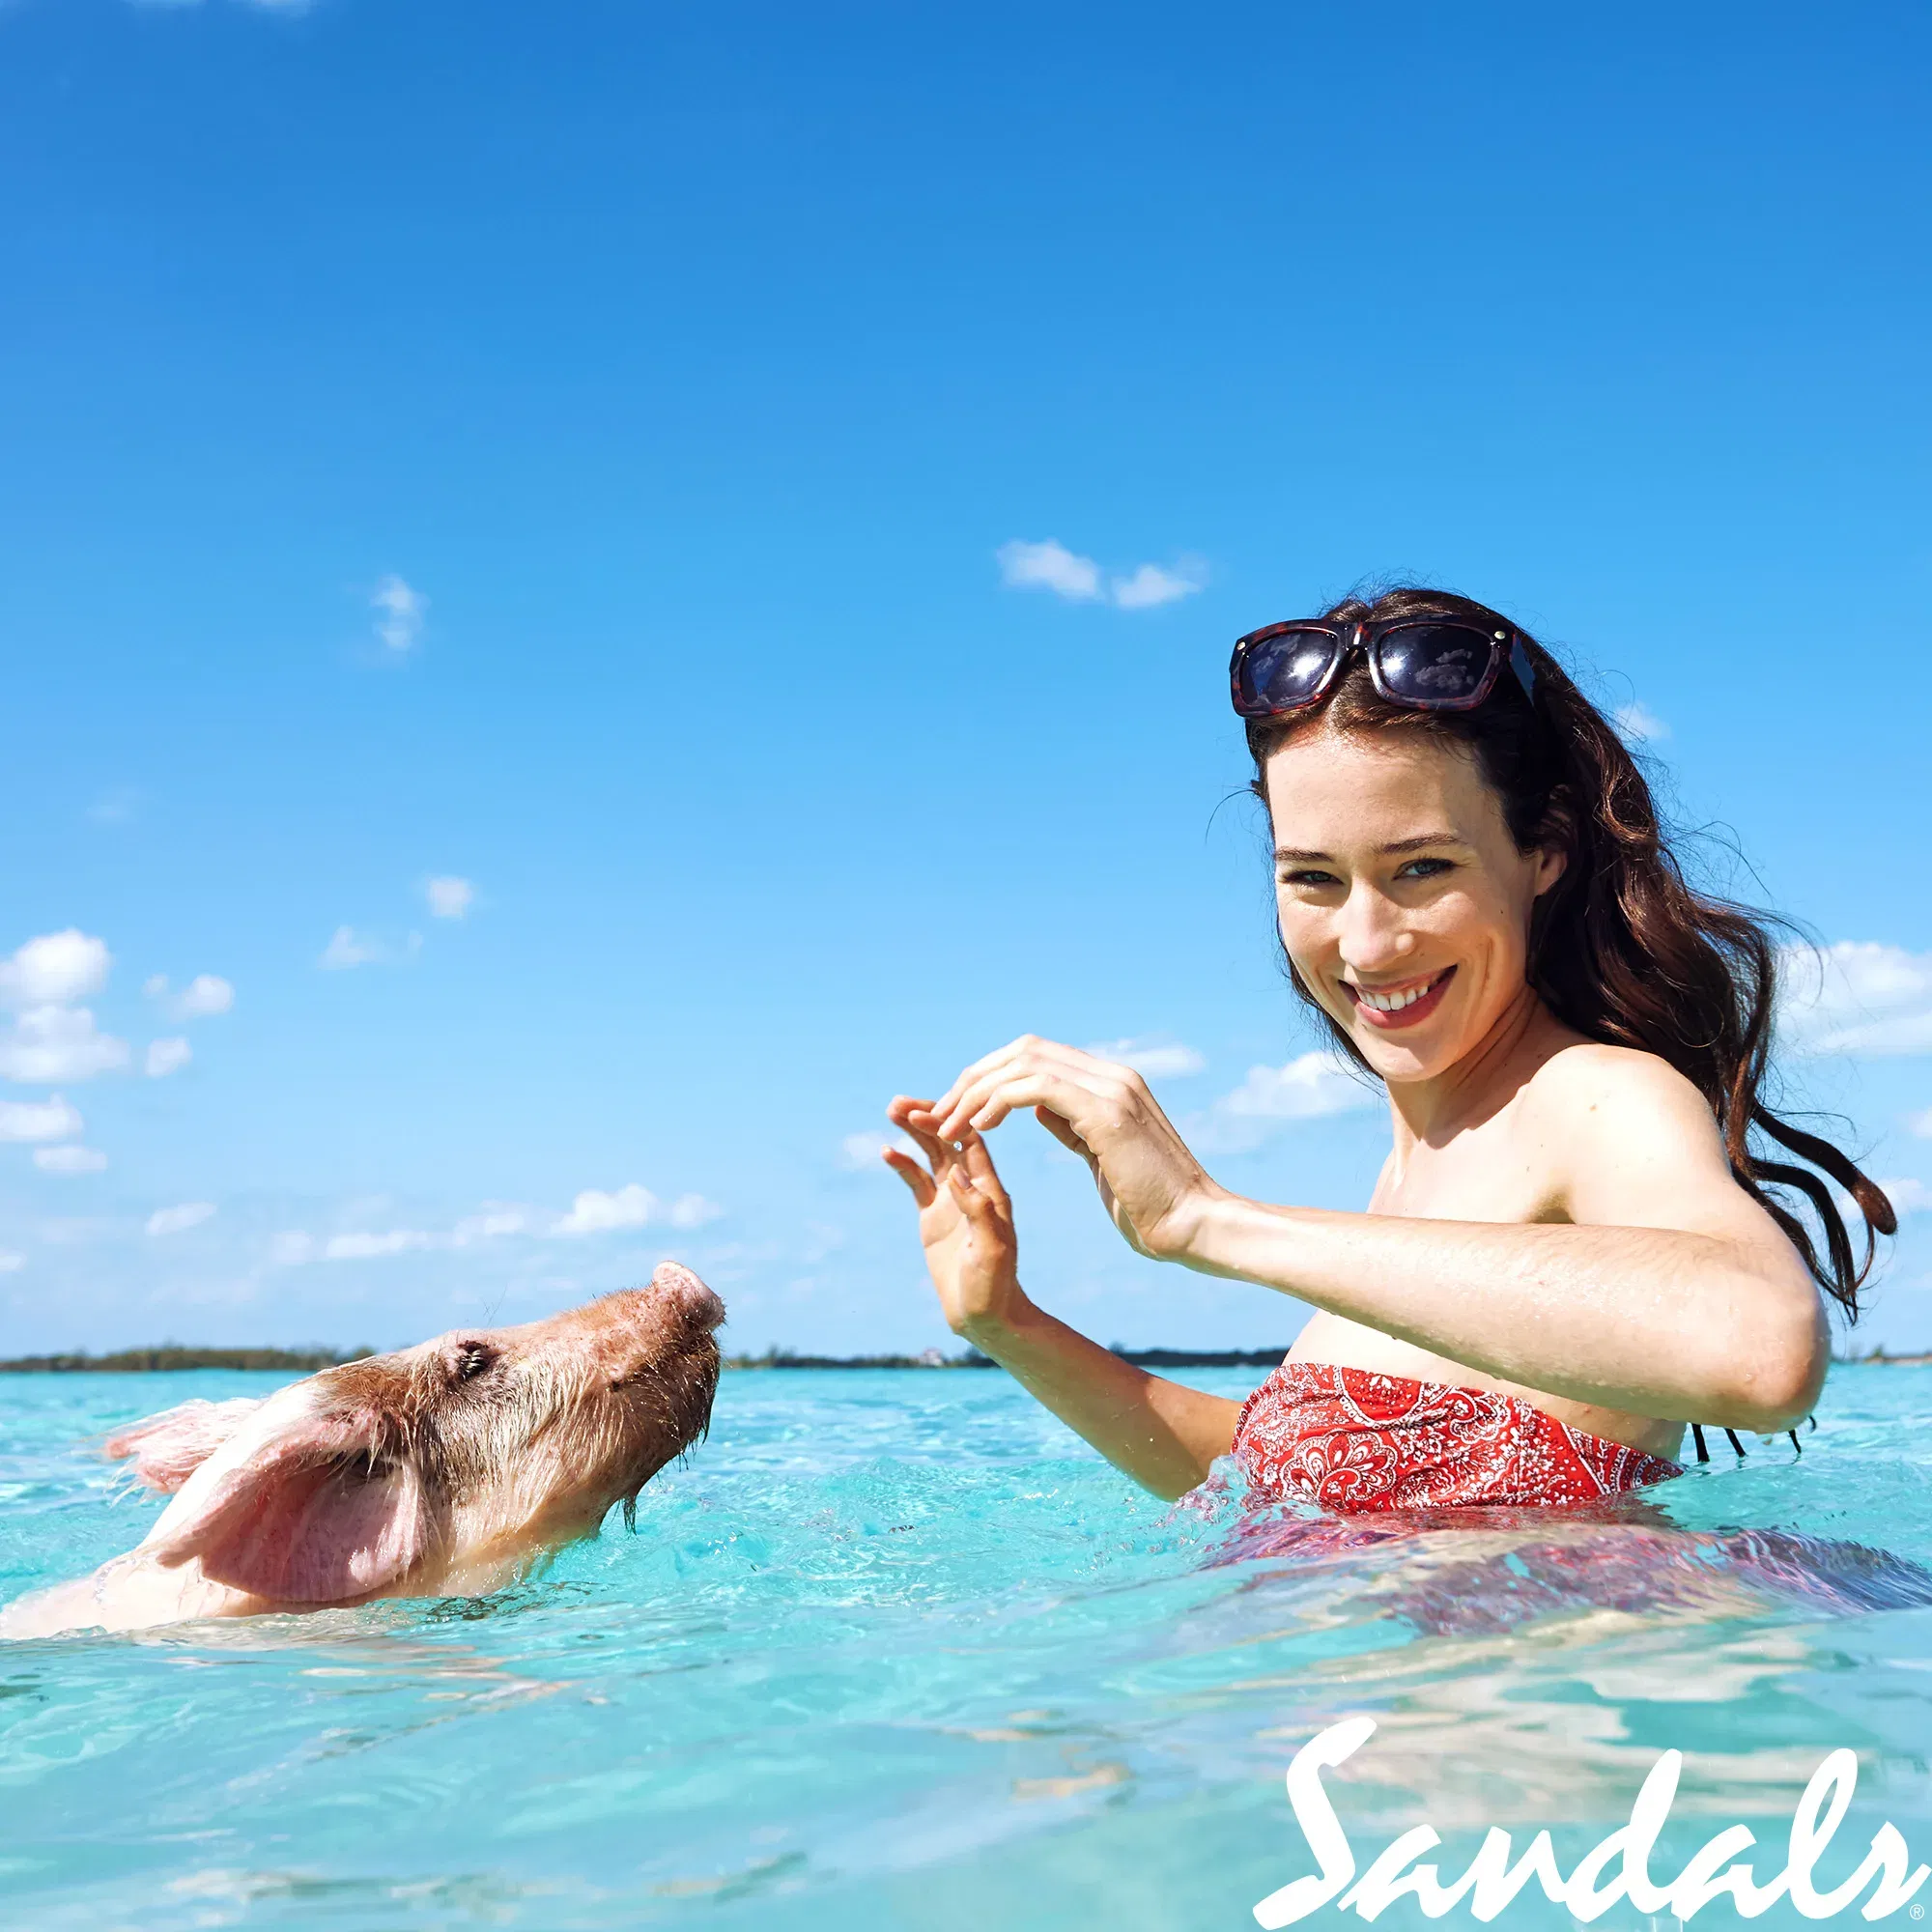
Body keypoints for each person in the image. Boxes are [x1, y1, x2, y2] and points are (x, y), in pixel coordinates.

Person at [883, 586, 1896, 1514]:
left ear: (1543, 851)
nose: (1366, 945)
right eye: (1313, 879)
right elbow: (1289, 1491)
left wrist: (1207, 1219)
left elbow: (1760, 1351)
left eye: (1421, 868)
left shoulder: (1593, 1097)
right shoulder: (1410, 1165)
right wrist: (1011, 1326)